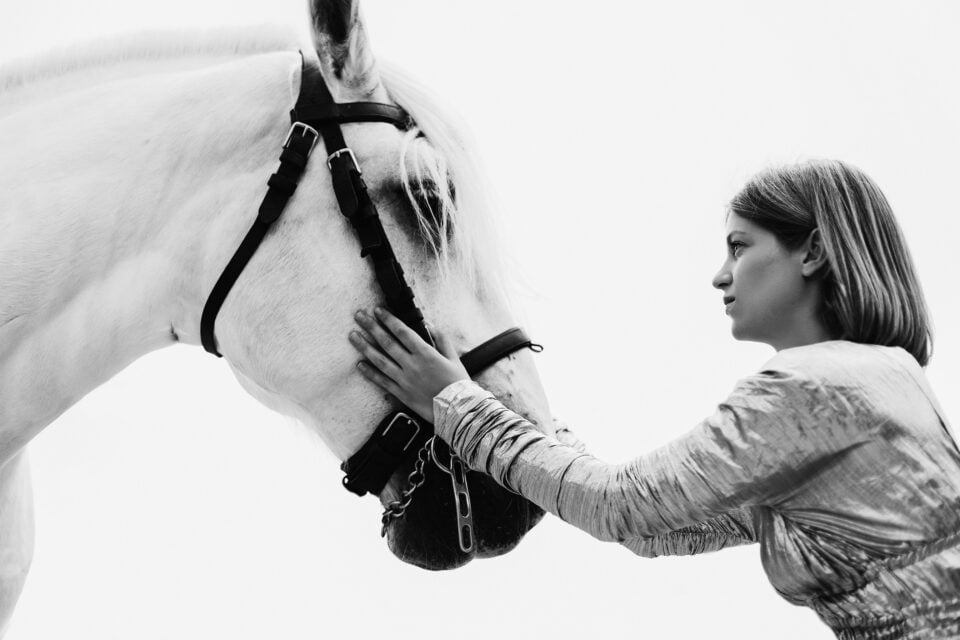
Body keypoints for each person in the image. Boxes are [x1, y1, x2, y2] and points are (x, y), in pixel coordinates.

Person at [347, 159, 960, 639]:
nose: (720, 274)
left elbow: (623, 507)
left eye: (740, 247)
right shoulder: (884, 381)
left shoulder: (814, 389)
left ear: (814, 252)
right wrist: (531, 421)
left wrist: (455, 402)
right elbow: (658, 531)